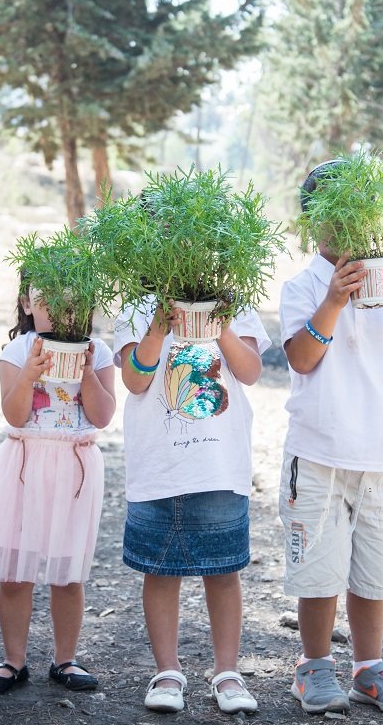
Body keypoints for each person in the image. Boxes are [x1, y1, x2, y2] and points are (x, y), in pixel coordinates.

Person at [279, 161, 383, 715]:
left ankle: (370, 669)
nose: (345, 232)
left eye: (357, 217)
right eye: (332, 219)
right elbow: (301, 358)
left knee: (373, 567)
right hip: (318, 451)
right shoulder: (302, 287)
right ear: (314, 224)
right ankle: (314, 668)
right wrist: (332, 299)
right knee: (319, 567)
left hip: (377, 452)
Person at [115, 298, 269, 715]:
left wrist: (219, 327)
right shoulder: (137, 305)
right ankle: (167, 671)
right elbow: (134, 380)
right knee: (160, 570)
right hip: (158, 468)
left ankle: (228, 671)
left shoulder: (233, 299)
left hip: (218, 467)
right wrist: (157, 328)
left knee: (223, 570)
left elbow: (251, 371)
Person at [0, 286, 116, 694]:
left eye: (69, 296)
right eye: (44, 297)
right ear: (26, 305)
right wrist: (31, 372)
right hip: (23, 464)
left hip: (73, 467)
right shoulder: (17, 350)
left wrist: (85, 372)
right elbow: (14, 412)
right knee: (16, 571)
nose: (57, 307)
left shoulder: (98, 352)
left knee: (68, 572)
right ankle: (13, 661)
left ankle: (65, 659)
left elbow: (103, 416)